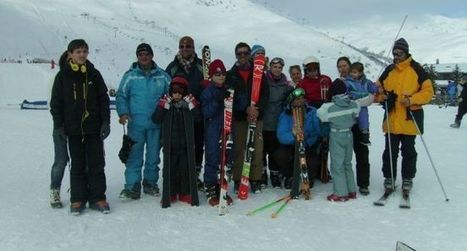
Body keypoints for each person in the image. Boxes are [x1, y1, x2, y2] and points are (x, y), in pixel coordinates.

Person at [50, 39, 110, 214]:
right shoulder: (62, 77)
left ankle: (98, 197)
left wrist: (106, 121)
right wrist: (58, 126)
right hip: (73, 129)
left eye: (84, 51)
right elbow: (56, 104)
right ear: (70, 54)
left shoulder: (94, 74)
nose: (82, 55)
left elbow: (103, 100)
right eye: (78, 51)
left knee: (97, 163)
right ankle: (78, 198)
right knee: (77, 164)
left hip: (94, 128)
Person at [375, 38, 434, 194]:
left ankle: (407, 178)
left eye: (399, 53)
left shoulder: (417, 69)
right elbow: (377, 89)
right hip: (392, 119)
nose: (396, 56)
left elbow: (428, 92)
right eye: (394, 53)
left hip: (410, 119)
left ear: (406, 52)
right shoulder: (389, 70)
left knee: (409, 151)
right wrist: (382, 96)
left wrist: (412, 100)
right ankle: (389, 177)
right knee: (389, 152)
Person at [116, 43, 170, 200]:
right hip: (136, 125)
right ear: (137, 57)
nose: (144, 57)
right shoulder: (130, 75)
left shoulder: (162, 76)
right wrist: (123, 112)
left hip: (156, 125)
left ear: (152, 55)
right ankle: (132, 186)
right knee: (134, 155)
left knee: (153, 156)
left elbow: (172, 94)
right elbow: (121, 95)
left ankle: (150, 183)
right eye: (140, 54)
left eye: (147, 54)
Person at [226, 42, 269, 194]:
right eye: (239, 53)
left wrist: (258, 109)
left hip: (256, 116)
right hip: (239, 117)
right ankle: (239, 179)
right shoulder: (231, 75)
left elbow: (265, 94)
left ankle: (255, 178)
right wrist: (245, 108)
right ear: (236, 55)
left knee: (256, 148)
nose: (242, 56)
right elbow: (231, 96)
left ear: (250, 54)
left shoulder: (259, 73)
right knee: (239, 149)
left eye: (245, 53)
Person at [152, 77, 200, 208]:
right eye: (174, 92)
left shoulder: (187, 106)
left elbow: (199, 117)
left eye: (180, 92)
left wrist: (193, 104)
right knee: (170, 169)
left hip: (185, 146)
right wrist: (162, 106)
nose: (177, 95)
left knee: (185, 170)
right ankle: (170, 193)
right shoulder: (168, 105)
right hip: (171, 146)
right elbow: (156, 119)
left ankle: (185, 192)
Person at [165, 36, 205, 190]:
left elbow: (209, 84)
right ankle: (180, 175)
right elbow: (167, 88)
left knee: (198, 144)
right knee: (181, 145)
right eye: (182, 46)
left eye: (188, 46)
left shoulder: (202, 66)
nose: (185, 48)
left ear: (193, 47)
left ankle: (194, 175)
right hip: (179, 115)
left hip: (198, 113)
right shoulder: (173, 67)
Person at [335, 57, 373, 195]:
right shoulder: (339, 83)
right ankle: (345, 181)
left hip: (360, 123)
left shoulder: (361, 82)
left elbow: (370, 98)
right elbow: (338, 101)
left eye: (345, 66)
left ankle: (363, 183)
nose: (342, 69)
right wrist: (360, 101)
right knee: (344, 156)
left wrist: (357, 101)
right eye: (339, 66)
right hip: (344, 123)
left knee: (362, 153)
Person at [317, 80, 360, 202]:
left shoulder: (330, 107)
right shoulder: (352, 104)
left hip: (336, 134)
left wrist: (327, 103)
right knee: (347, 163)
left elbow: (320, 115)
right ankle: (351, 190)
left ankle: (340, 193)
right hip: (349, 134)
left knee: (337, 164)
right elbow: (357, 109)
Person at [200, 59, 234, 206]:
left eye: (223, 74)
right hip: (213, 127)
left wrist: (232, 97)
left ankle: (222, 184)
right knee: (213, 156)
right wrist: (217, 101)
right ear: (212, 76)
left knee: (226, 156)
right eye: (217, 74)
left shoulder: (228, 89)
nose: (221, 76)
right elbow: (206, 112)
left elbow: (234, 108)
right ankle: (210, 185)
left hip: (227, 127)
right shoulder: (208, 91)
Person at [276, 88, 321, 190]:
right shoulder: (285, 114)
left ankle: (308, 177)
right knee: (281, 155)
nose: (300, 101)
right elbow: (281, 135)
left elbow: (317, 132)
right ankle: (290, 176)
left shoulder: (312, 111)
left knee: (312, 161)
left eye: (302, 98)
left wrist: (307, 136)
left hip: (307, 144)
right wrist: (293, 135)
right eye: (297, 99)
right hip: (291, 145)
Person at [262, 57, 293, 188]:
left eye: (279, 67)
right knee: (262, 150)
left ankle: (275, 173)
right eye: (274, 67)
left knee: (275, 149)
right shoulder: (264, 80)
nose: (277, 70)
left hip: (277, 121)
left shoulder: (285, 83)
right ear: (270, 67)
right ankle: (261, 173)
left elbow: (287, 100)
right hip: (264, 119)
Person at [49, 53, 71, 209]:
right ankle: (55, 190)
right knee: (61, 160)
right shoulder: (58, 79)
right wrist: (59, 125)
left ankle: (81, 189)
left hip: (80, 127)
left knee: (81, 160)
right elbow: (54, 106)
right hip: (62, 127)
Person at [346, 62, 377, 146]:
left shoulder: (366, 82)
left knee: (363, 117)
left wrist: (375, 88)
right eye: (351, 72)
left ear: (360, 73)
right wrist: (349, 95)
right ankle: (348, 134)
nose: (352, 74)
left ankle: (365, 134)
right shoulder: (348, 82)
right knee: (350, 120)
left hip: (362, 104)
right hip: (352, 104)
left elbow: (373, 88)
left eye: (355, 72)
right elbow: (346, 90)